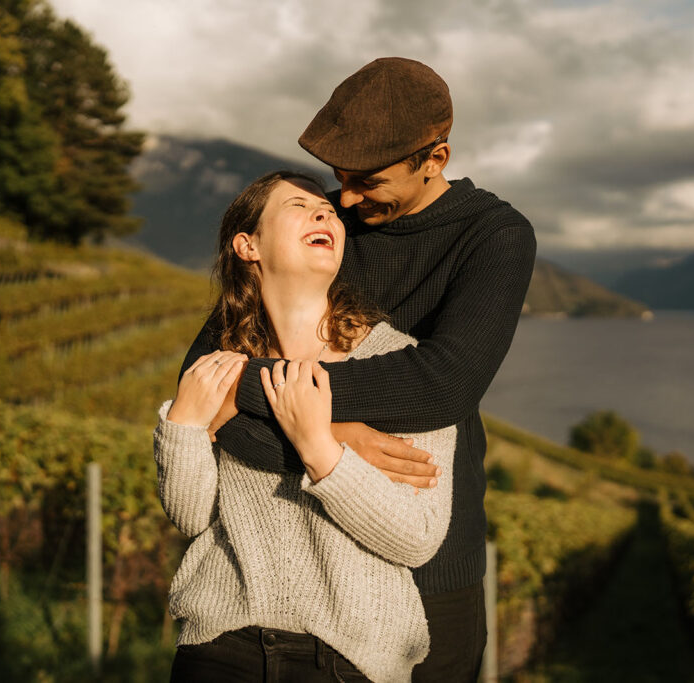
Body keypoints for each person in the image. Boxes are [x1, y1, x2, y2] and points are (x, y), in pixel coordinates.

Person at [182, 57, 537, 679]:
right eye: (337, 178)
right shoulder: (322, 228)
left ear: (436, 158)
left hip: (432, 567)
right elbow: (199, 376)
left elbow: (441, 386)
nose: (343, 199)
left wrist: (259, 395)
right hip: (302, 575)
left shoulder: (494, 236)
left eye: (366, 182)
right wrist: (320, 436)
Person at [156, 170, 457, 682]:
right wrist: (183, 425)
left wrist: (322, 449)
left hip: (351, 660)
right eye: (298, 206)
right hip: (221, 645)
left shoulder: (400, 366)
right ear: (248, 245)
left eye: (329, 212)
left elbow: (417, 539)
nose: (325, 213)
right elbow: (191, 517)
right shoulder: (221, 368)